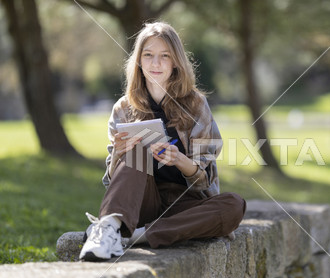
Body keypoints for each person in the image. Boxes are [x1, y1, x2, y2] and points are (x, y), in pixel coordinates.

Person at [79, 22, 246, 261]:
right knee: (135, 148)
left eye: (164, 56)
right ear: (139, 60)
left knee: (234, 205)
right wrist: (119, 153)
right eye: (148, 55)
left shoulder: (196, 106)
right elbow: (112, 182)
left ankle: (136, 236)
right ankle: (107, 228)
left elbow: (204, 180)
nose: (155, 63)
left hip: (186, 205)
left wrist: (179, 160)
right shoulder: (123, 109)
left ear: (176, 61)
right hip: (143, 203)